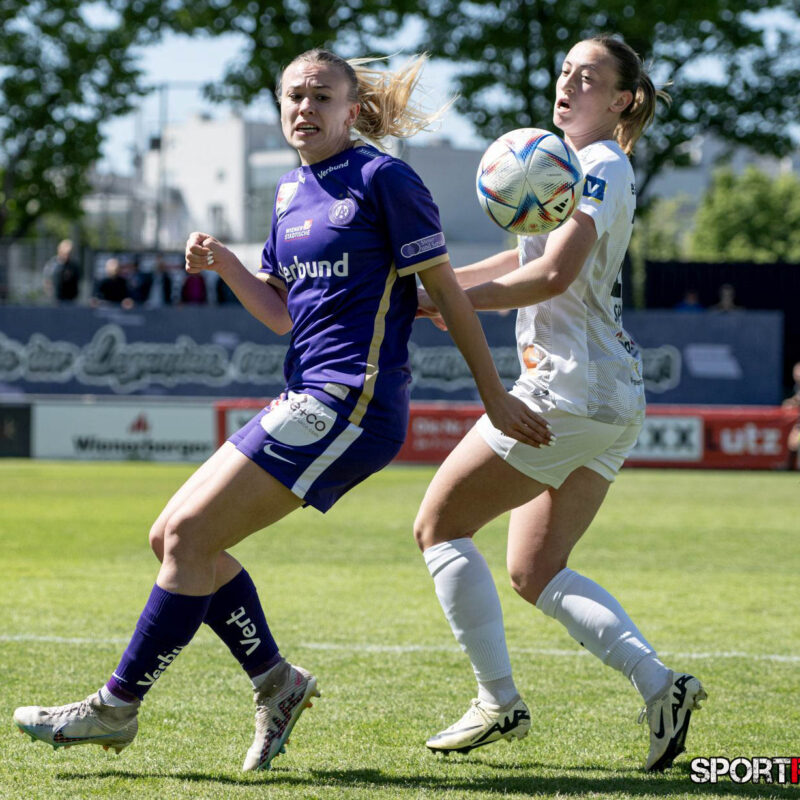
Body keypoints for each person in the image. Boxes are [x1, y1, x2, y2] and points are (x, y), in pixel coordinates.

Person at [13, 49, 551, 773]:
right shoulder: (290, 192)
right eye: (293, 96)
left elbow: (449, 294)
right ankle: (277, 682)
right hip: (308, 394)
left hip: (352, 403)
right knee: (171, 538)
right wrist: (229, 264)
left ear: (351, 109)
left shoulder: (384, 179)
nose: (304, 107)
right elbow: (283, 317)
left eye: (320, 96)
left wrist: (494, 393)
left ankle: (117, 707)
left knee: (190, 539)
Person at [413, 35, 706, 772]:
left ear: (623, 101)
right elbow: (523, 264)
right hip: (608, 397)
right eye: (564, 72)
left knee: (439, 525)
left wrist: (457, 300)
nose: (569, 84)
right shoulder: (564, 166)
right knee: (535, 570)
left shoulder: (601, 163)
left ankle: (497, 699)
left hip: (570, 389)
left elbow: (551, 276)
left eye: (590, 77)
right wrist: (440, 291)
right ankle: (660, 686)